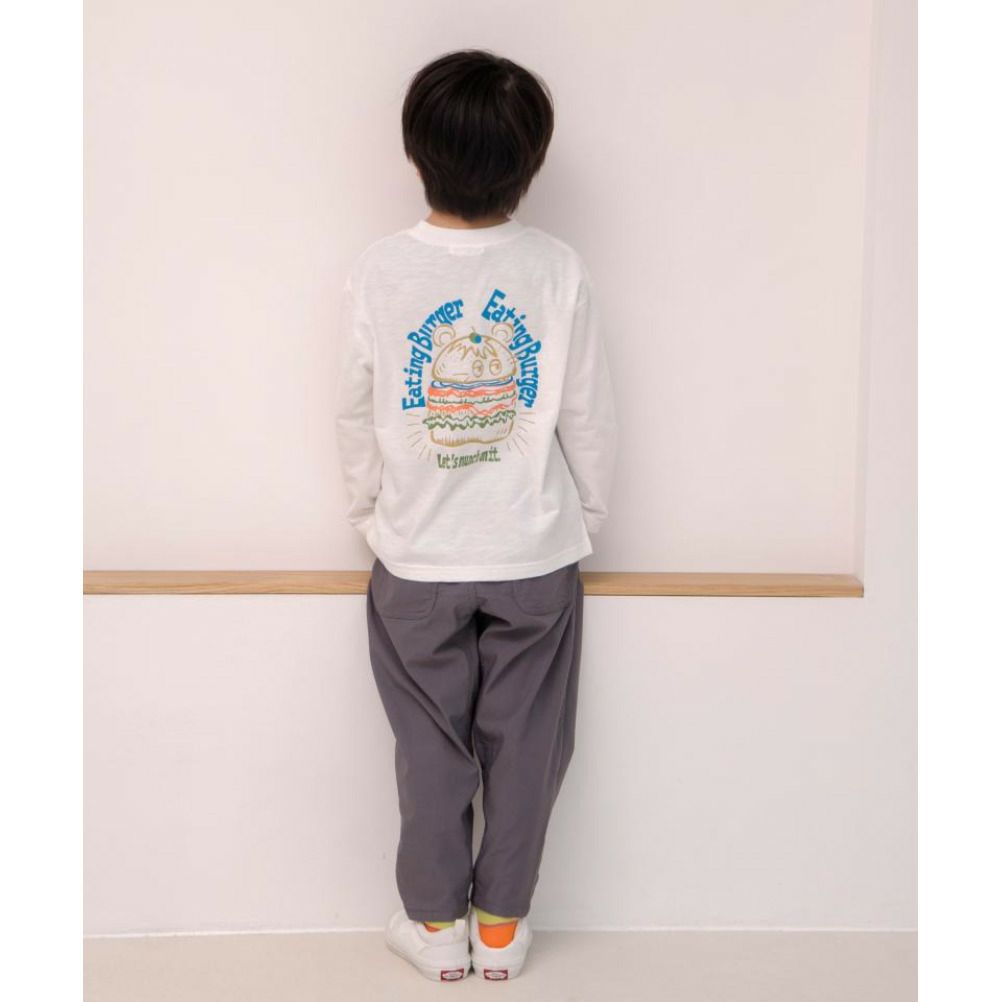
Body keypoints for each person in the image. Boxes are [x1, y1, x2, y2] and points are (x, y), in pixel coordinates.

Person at [334, 48, 617, 981]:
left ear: (416, 150)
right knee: (528, 744)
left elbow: (353, 410)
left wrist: (371, 514)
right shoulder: (556, 268)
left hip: (417, 558)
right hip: (534, 554)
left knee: (430, 744)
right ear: (532, 160)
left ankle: (433, 927)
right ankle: (500, 928)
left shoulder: (380, 270)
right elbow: (589, 411)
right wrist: (585, 517)